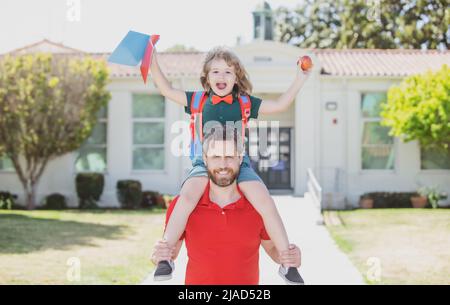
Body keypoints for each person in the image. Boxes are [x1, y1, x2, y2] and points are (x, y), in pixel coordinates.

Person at [149, 46, 310, 284]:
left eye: (227, 72)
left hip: (238, 161)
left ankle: (287, 263)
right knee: (187, 195)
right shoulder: (197, 100)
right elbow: (165, 89)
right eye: (215, 71)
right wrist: (151, 58)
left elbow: (279, 105)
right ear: (206, 77)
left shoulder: (245, 103)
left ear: (236, 78)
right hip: (205, 161)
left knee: (263, 198)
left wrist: (300, 78)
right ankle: (165, 258)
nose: (221, 77)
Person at [151, 127, 303, 285]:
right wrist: (158, 255)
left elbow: (272, 249)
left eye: (229, 156)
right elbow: (171, 251)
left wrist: (287, 257)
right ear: (204, 159)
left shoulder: (257, 205)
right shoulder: (185, 204)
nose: (223, 164)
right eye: (215, 156)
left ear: (240, 158)